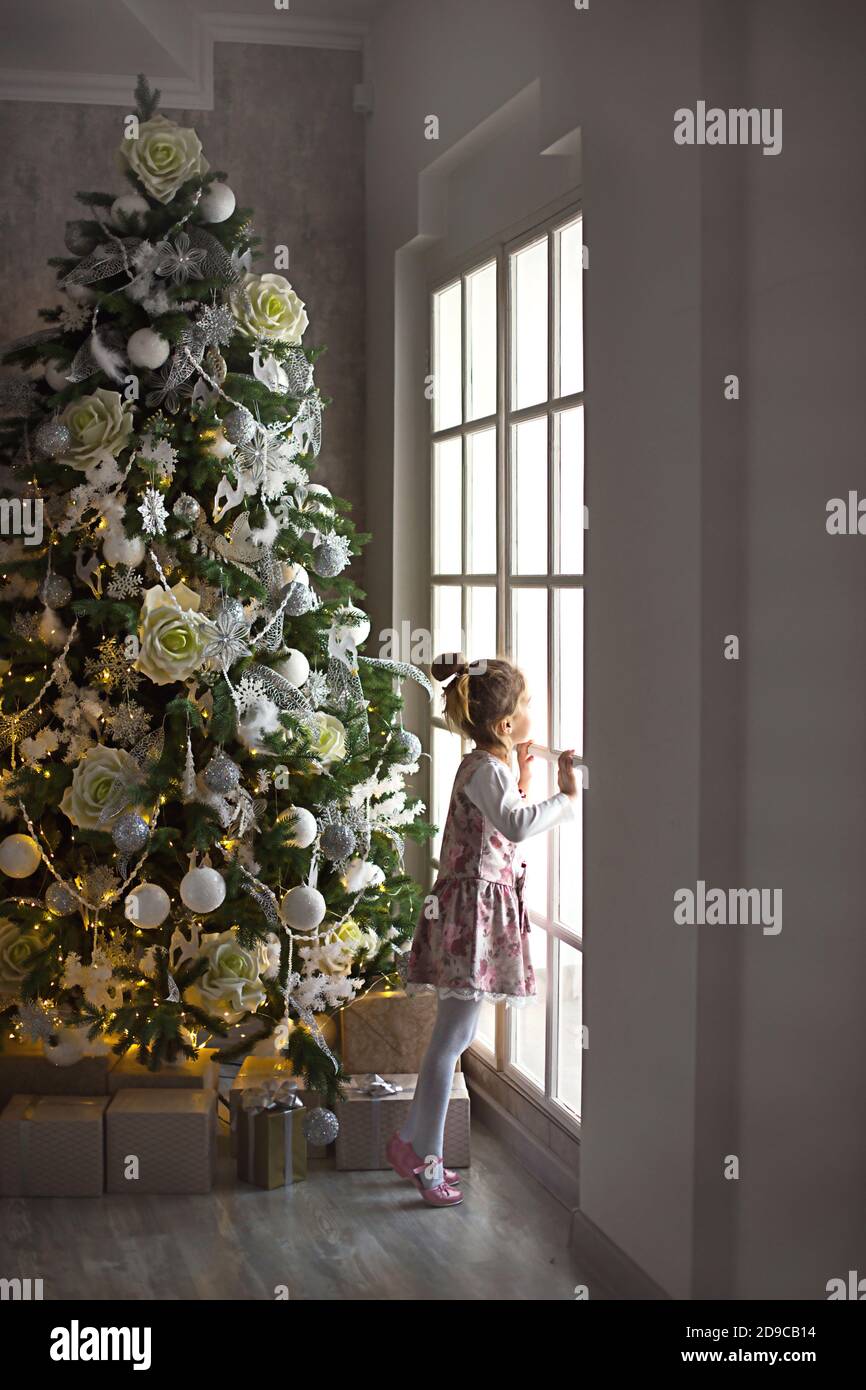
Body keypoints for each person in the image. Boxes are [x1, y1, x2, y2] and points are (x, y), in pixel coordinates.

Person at [386, 651, 579, 1206]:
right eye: (524, 709)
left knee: (451, 1040)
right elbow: (516, 823)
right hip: (473, 918)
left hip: (469, 911)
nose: (531, 718)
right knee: (451, 1043)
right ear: (504, 726)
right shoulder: (483, 770)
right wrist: (564, 800)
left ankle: (411, 1143)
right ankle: (424, 1157)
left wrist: (520, 776)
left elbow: (500, 810)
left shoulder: (482, 766)